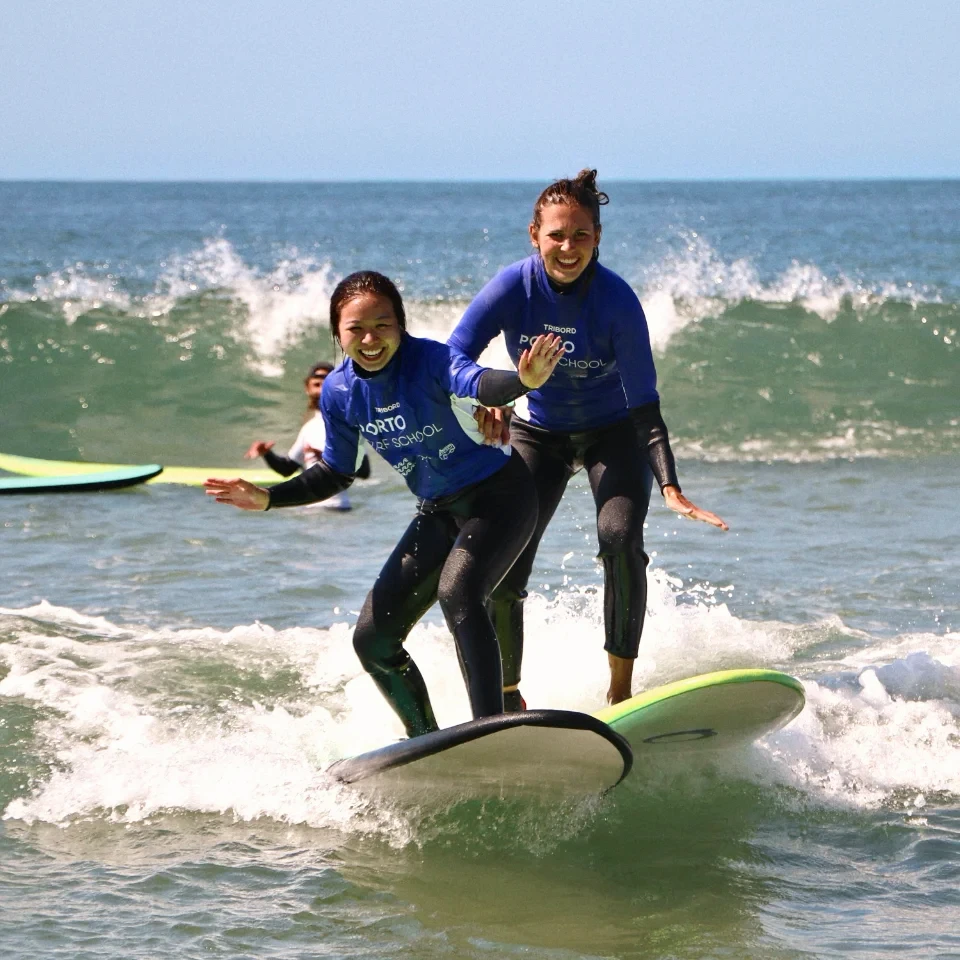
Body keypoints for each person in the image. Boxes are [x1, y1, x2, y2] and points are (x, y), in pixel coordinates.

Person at [205, 271, 564, 738]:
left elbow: (480, 383)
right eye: (356, 329)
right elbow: (337, 471)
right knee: (373, 641)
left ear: (401, 325)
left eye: (383, 325)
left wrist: (521, 380)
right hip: (439, 508)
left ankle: (491, 728)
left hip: (501, 495)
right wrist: (270, 498)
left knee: (460, 593)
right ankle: (428, 741)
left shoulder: (432, 359)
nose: (370, 339)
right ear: (338, 333)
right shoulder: (339, 391)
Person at [448, 169, 728, 709]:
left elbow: (645, 404)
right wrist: (488, 395)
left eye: (581, 235)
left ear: (598, 236)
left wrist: (669, 483)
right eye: (556, 235)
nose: (568, 247)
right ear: (535, 235)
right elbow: (453, 356)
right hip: (539, 432)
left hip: (612, 433)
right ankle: (509, 696)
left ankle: (620, 691)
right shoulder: (513, 287)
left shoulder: (616, 301)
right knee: (507, 558)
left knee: (620, 539)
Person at [245, 361, 370, 511]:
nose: (321, 385)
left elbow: (364, 471)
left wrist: (330, 457)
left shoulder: (345, 422)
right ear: (307, 388)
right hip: (309, 510)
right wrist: (266, 453)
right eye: (316, 382)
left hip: (337, 509)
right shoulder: (309, 428)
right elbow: (287, 469)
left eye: (326, 381)